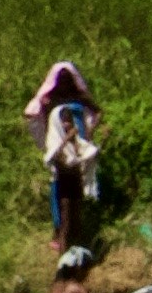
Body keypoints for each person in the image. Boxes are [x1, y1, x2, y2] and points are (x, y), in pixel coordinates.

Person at [22, 60, 111, 248]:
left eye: (67, 79)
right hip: (60, 150)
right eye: (61, 79)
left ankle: (73, 234)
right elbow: (32, 115)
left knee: (74, 192)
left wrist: (89, 131)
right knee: (61, 191)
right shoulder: (49, 100)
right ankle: (61, 233)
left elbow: (97, 111)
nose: (64, 83)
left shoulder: (79, 98)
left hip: (77, 148)